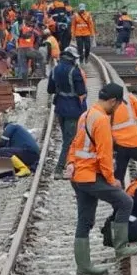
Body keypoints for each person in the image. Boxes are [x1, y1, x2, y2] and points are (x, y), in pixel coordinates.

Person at [67, 82, 137, 275]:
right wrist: (111, 180)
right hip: (90, 176)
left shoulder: (86, 115)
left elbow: (75, 143)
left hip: (79, 177)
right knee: (126, 201)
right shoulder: (101, 120)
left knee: (84, 220)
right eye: (117, 106)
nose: (117, 110)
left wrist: (70, 162)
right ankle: (121, 247)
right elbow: (104, 155)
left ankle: (83, 267)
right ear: (112, 101)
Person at [47, 46, 88, 179]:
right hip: (73, 110)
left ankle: (71, 164)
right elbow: (81, 92)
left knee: (67, 138)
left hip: (60, 108)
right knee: (69, 140)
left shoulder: (55, 69)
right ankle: (59, 169)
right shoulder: (74, 71)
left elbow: (50, 89)